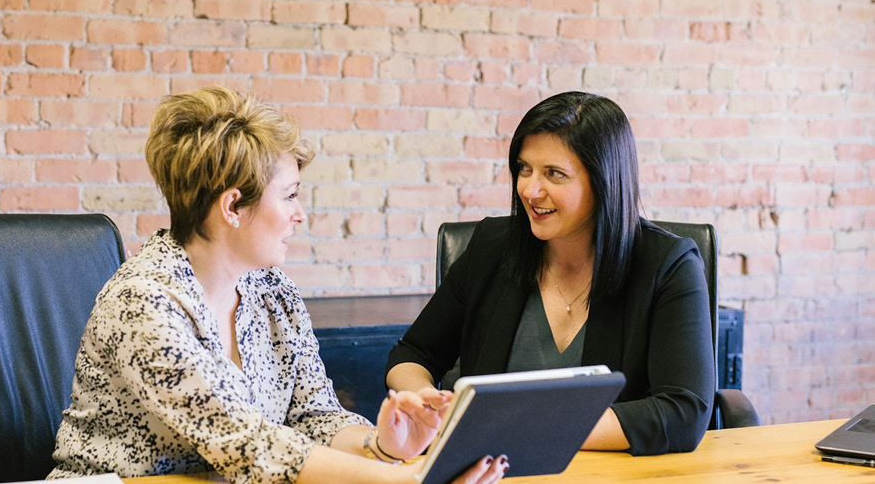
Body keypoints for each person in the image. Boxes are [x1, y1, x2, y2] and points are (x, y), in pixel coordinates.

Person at [48, 86, 506, 483]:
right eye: (289, 195)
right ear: (232, 207)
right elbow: (248, 444)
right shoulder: (144, 302)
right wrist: (404, 477)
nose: (300, 214)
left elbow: (314, 417)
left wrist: (382, 443)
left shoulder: (273, 291)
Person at [385, 91, 716, 456]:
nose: (530, 189)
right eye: (524, 169)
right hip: (491, 473)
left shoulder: (668, 265)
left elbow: (683, 411)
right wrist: (423, 401)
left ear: (604, 180)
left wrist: (525, 428)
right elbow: (412, 354)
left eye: (554, 174)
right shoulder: (492, 248)